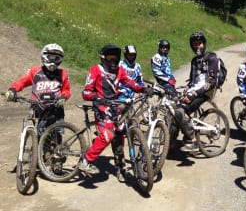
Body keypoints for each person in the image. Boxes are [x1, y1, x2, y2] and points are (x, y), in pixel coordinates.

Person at [79, 44, 152, 175]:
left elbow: (130, 83)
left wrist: (143, 89)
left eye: (115, 58)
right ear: (103, 58)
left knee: (120, 133)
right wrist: (97, 98)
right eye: (110, 57)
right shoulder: (96, 69)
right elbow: (85, 92)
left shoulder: (119, 70)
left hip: (114, 106)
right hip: (101, 108)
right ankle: (85, 161)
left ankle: (120, 166)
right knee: (109, 134)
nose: (113, 61)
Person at [5, 43, 70, 130]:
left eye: (56, 58)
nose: (53, 61)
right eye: (50, 57)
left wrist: (63, 97)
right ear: (44, 56)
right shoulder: (34, 71)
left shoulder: (63, 74)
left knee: (56, 139)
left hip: (56, 109)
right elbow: (22, 82)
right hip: (38, 108)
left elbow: (66, 90)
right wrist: (13, 90)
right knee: (38, 134)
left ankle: (57, 143)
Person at [173, 32, 219, 152]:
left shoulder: (212, 57)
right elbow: (192, 80)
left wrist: (194, 94)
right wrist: (186, 90)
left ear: (204, 44)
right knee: (173, 109)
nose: (197, 46)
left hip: (206, 92)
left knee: (180, 111)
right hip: (195, 90)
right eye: (195, 44)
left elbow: (212, 82)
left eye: (199, 43)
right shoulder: (194, 61)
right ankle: (171, 142)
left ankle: (193, 141)